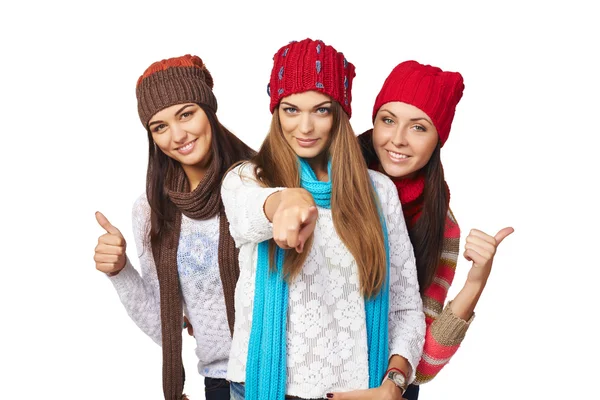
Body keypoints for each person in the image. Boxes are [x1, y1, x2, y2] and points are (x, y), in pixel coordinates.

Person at [221, 38, 425, 400]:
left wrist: (394, 382)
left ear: (339, 113)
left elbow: (406, 305)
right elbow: (249, 212)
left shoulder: (378, 192)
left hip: (358, 390)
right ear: (276, 112)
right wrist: (284, 203)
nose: (305, 127)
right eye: (290, 109)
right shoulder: (248, 178)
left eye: (321, 110)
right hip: (261, 387)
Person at [93, 54, 255, 400]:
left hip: (285, 373)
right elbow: (167, 323)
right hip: (221, 381)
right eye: (160, 126)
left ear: (208, 111)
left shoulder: (259, 183)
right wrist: (120, 271)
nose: (177, 135)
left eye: (186, 114)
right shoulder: (151, 211)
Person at [358, 60, 514, 399]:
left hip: (390, 386)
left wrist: (477, 280)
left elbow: (424, 365)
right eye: (388, 120)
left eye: (418, 127)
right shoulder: (329, 181)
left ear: (437, 139)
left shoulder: (439, 225)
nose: (397, 140)